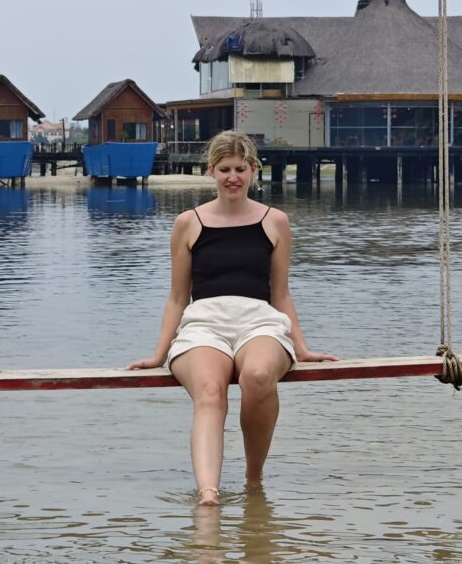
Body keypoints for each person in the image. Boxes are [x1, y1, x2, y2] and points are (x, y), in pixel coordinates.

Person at [128, 130, 336, 506]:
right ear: (211, 172)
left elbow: (281, 293)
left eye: (241, 168)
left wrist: (302, 348)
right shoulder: (188, 223)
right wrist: (158, 355)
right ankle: (209, 495)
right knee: (210, 391)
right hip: (203, 323)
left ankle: (253, 480)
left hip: (259, 321)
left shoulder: (276, 221)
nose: (233, 177)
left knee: (257, 376)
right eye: (224, 169)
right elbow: (177, 297)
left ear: (254, 170)